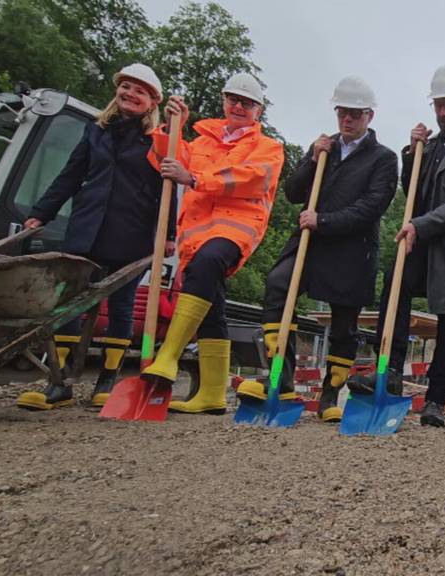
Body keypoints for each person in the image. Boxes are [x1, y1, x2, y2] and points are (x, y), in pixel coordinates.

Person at [234, 76, 397, 422]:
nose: (347, 120)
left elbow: (372, 206)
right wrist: (311, 158)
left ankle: (330, 395)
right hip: (309, 245)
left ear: (369, 116)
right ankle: (281, 378)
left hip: (352, 250)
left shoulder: (383, 158)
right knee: (278, 284)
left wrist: (322, 220)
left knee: (343, 324)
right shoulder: (324, 148)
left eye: (354, 114)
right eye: (342, 112)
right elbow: (293, 192)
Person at [16, 64, 175, 411]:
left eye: (140, 91)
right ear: (117, 91)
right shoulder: (95, 133)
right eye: (126, 87)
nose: (130, 94)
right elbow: (70, 176)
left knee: (120, 307)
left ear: (152, 103)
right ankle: (59, 384)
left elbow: (168, 191)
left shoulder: (158, 139)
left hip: (130, 234)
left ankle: (106, 381)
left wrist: (170, 235)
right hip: (87, 230)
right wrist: (41, 213)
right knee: (70, 305)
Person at [349, 65, 445, 428]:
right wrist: (412, 155)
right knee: (395, 290)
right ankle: (391, 369)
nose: (444, 113)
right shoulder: (431, 145)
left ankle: (435, 400)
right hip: (424, 240)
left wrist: (419, 225)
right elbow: (414, 192)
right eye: (439, 106)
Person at [141, 72, 284, 414]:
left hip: (237, 228)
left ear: (258, 111)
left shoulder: (268, 147)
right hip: (196, 233)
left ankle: (168, 356)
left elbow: (251, 179)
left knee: (208, 265)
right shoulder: (203, 141)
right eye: (232, 99)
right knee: (211, 302)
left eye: (246, 102)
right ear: (223, 101)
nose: (238, 106)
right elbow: (165, 160)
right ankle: (213, 395)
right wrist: (170, 128)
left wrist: (193, 178)